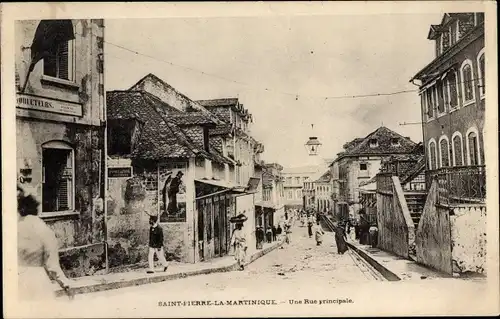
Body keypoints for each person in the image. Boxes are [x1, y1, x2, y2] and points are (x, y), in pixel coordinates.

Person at [17, 188, 73, 300]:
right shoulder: (43, 230)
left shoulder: (14, 227)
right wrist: (66, 285)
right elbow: (52, 266)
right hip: (37, 281)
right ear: (36, 208)